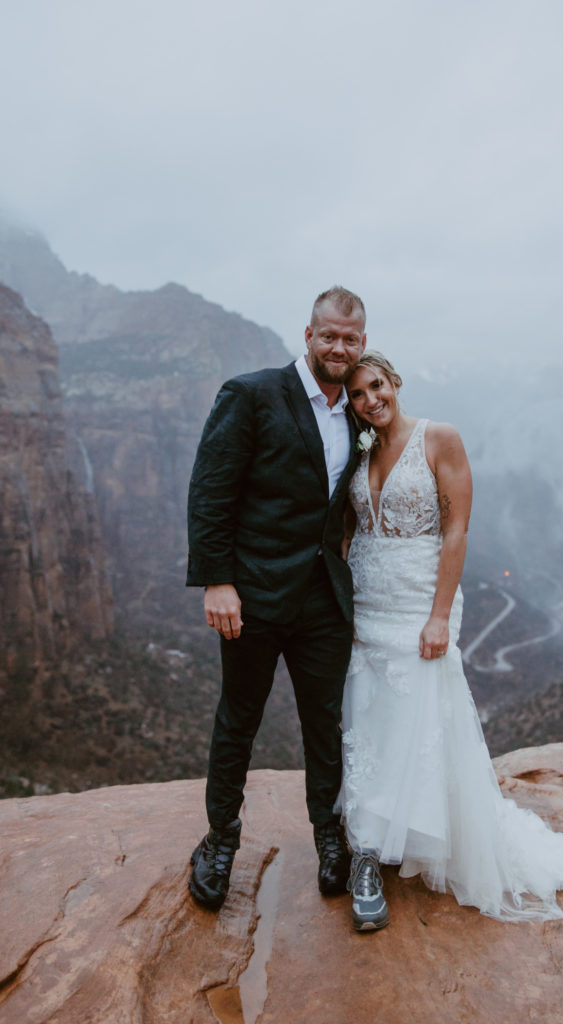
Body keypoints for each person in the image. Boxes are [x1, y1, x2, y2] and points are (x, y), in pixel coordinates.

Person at [338, 351, 563, 931]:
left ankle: (413, 834)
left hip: (417, 603)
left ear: (395, 381)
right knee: (371, 716)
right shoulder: (358, 449)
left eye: (376, 386)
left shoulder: (439, 437)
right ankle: (367, 841)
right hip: (366, 605)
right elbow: (349, 528)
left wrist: (440, 615)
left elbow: (457, 529)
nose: (369, 401)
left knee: (420, 716)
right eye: (357, 394)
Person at [186, 286, 367, 910]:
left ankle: (330, 838)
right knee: (240, 717)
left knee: (326, 724)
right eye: (329, 335)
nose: (338, 346)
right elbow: (212, 489)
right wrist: (217, 580)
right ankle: (219, 842)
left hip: (324, 601)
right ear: (309, 335)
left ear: (361, 343)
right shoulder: (253, 393)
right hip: (253, 597)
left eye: (350, 338)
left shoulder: (360, 412)